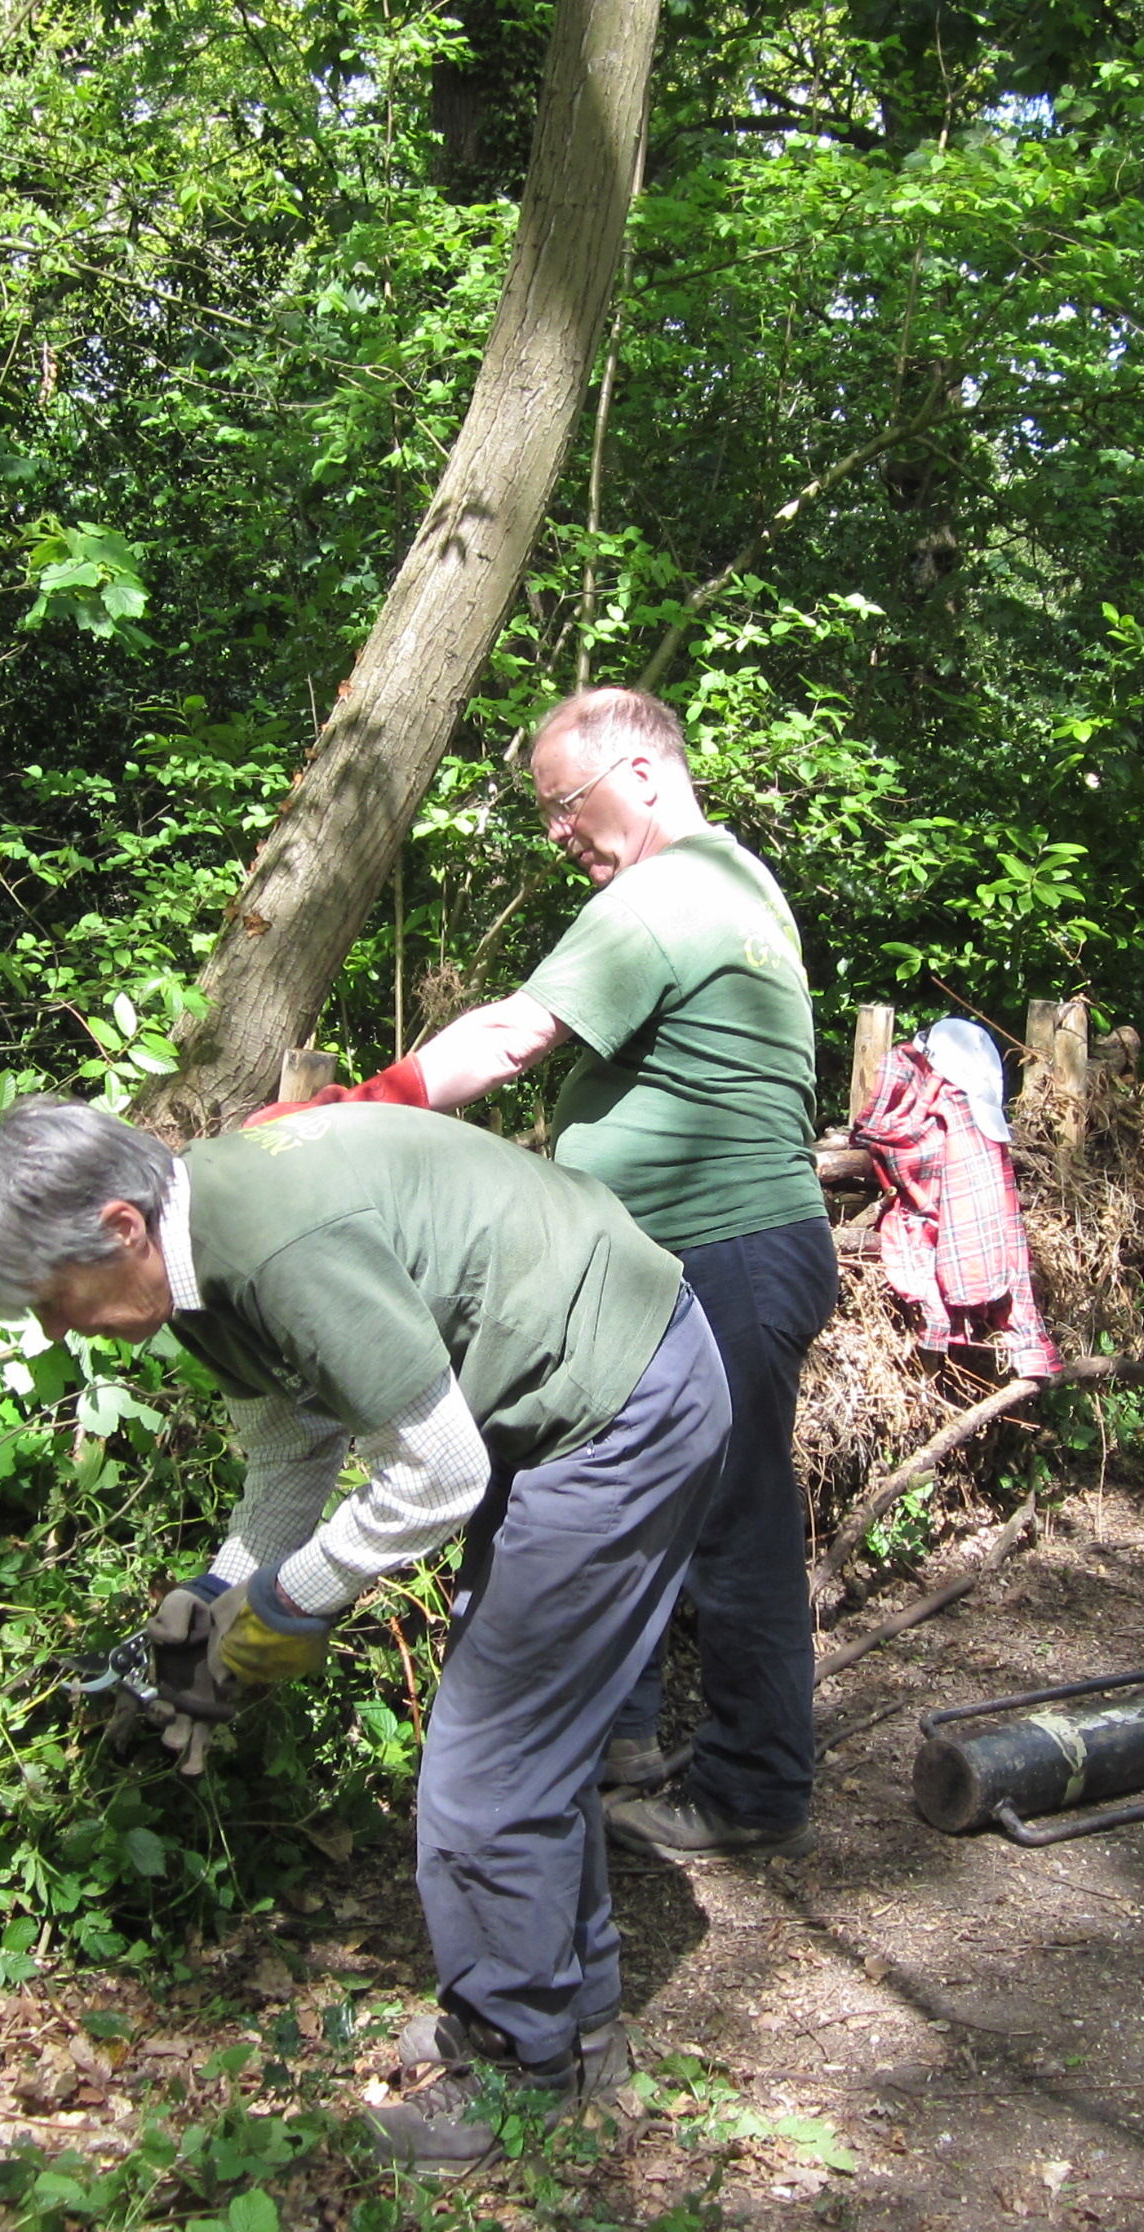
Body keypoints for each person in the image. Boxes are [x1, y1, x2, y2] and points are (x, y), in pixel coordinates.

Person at [0, 1094, 729, 2168]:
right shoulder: (195, 1264)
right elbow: (291, 1455)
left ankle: (518, 2076)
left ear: (119, 1228)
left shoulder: (276, 1246)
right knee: (520, 1753)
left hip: (621, 1399)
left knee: (487, 1767)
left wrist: (283, 1604)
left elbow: (439, 1478)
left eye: (51, 1298)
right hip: (559, 1397)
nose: (55, 1331)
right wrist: (216, 1594)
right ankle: (573, 2032)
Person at [350, 688, 835, 1864]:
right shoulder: (743, 883)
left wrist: (355, 1112)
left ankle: (751, 1791)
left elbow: (512, 1036)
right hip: (707, 1258)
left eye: (567, 802)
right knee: (626, 1494)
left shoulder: (663, 894)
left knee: (731, 1526)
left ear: (645, 773)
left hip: (717, 1251)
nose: (558, 831)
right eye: (548, 812)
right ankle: (615, 1743)